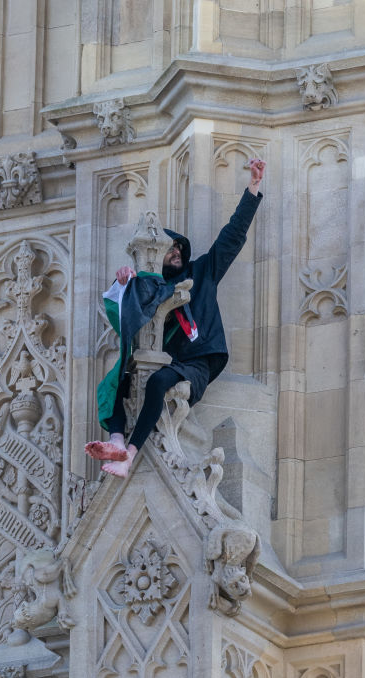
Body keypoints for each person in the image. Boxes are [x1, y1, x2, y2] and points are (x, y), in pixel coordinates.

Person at [86, 159, 265, 477]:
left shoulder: (202, 273)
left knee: (157, 383)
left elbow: (232, 236)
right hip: (168, 358)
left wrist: (252, 190)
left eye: (179, 246)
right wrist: (123, 283)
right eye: (169, 249)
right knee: (117, 382)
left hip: (197, 362)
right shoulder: (151, 288)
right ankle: (115, 439)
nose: (176, 251)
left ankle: (129, 455)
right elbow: (124, 319)